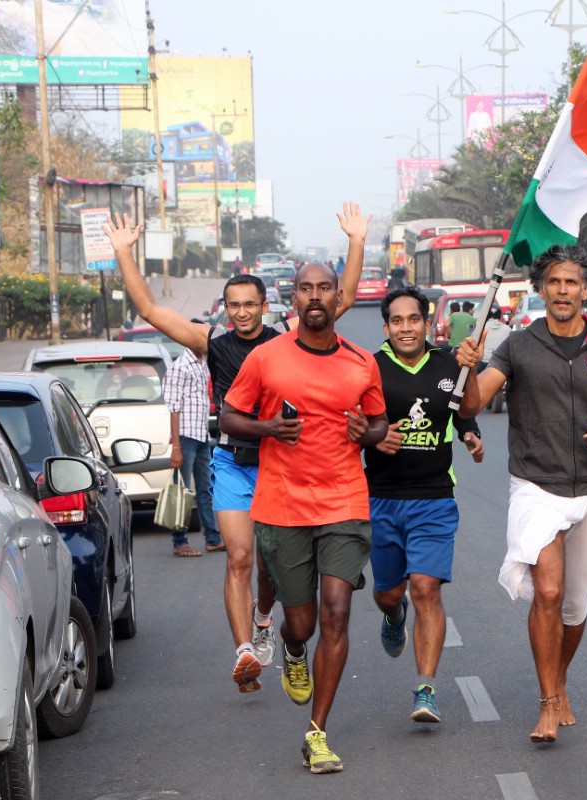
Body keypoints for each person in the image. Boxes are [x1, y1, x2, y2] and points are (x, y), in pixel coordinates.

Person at [104, 202, 370, 694]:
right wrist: (124, 252)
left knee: (270, 565)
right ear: (225, 308)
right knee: (238, 557)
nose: (243, 312)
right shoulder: (213, 343)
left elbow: (344, 297)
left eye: (251, 304)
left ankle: (265, 618)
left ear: (266, 306)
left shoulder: (285, 340)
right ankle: (245, 649)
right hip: (230, 462)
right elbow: (150, 310)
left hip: (276, 465)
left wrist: (355, 241)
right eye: (234, 305)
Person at [455, 245, 587, 744]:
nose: (562, 291)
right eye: (554, 283)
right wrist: (468, 368)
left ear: (585, 290)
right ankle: (547, 701)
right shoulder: (518, 346)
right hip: (535, 484)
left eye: (571, 283)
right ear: (541, 291)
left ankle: (559, 679)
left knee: (575, 604)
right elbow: (472, 404)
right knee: (547, 590)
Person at [220, 262, 389, 775]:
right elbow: (228, 416)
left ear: (338, 296)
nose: (315, 297)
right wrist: (267, 427)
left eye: (324, 289)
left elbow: (380, 421)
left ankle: (317, 733)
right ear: (291, 298)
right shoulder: (266, 358)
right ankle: (293, 649)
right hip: (283, 505)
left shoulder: (362, 362)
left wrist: (369, 433)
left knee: (337, 612)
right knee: (303, 622)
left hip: (344, 501)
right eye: (305, 289)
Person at [365, 287, 484, 725]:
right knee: (390, 592)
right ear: (386, 328)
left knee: (425, 588)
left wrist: (470, 431)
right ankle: (393, 616)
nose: (406, 328)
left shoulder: (448, 364)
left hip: (434, 497)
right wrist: (376, 436)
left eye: (413, 319)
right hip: (381, 497)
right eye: (397, 321)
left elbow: (461, 408)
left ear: (426, 323)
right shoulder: (369, 368)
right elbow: (352, 422)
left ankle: (426, 688)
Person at [162, 340, 224, 557]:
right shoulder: (179, 367)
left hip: (201, 436)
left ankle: (213, 538)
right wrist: (176, 445)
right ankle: (180, 542)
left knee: (206, 489)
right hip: (186, 437)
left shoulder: (202, 362)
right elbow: (174, 407)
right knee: (182, 491)